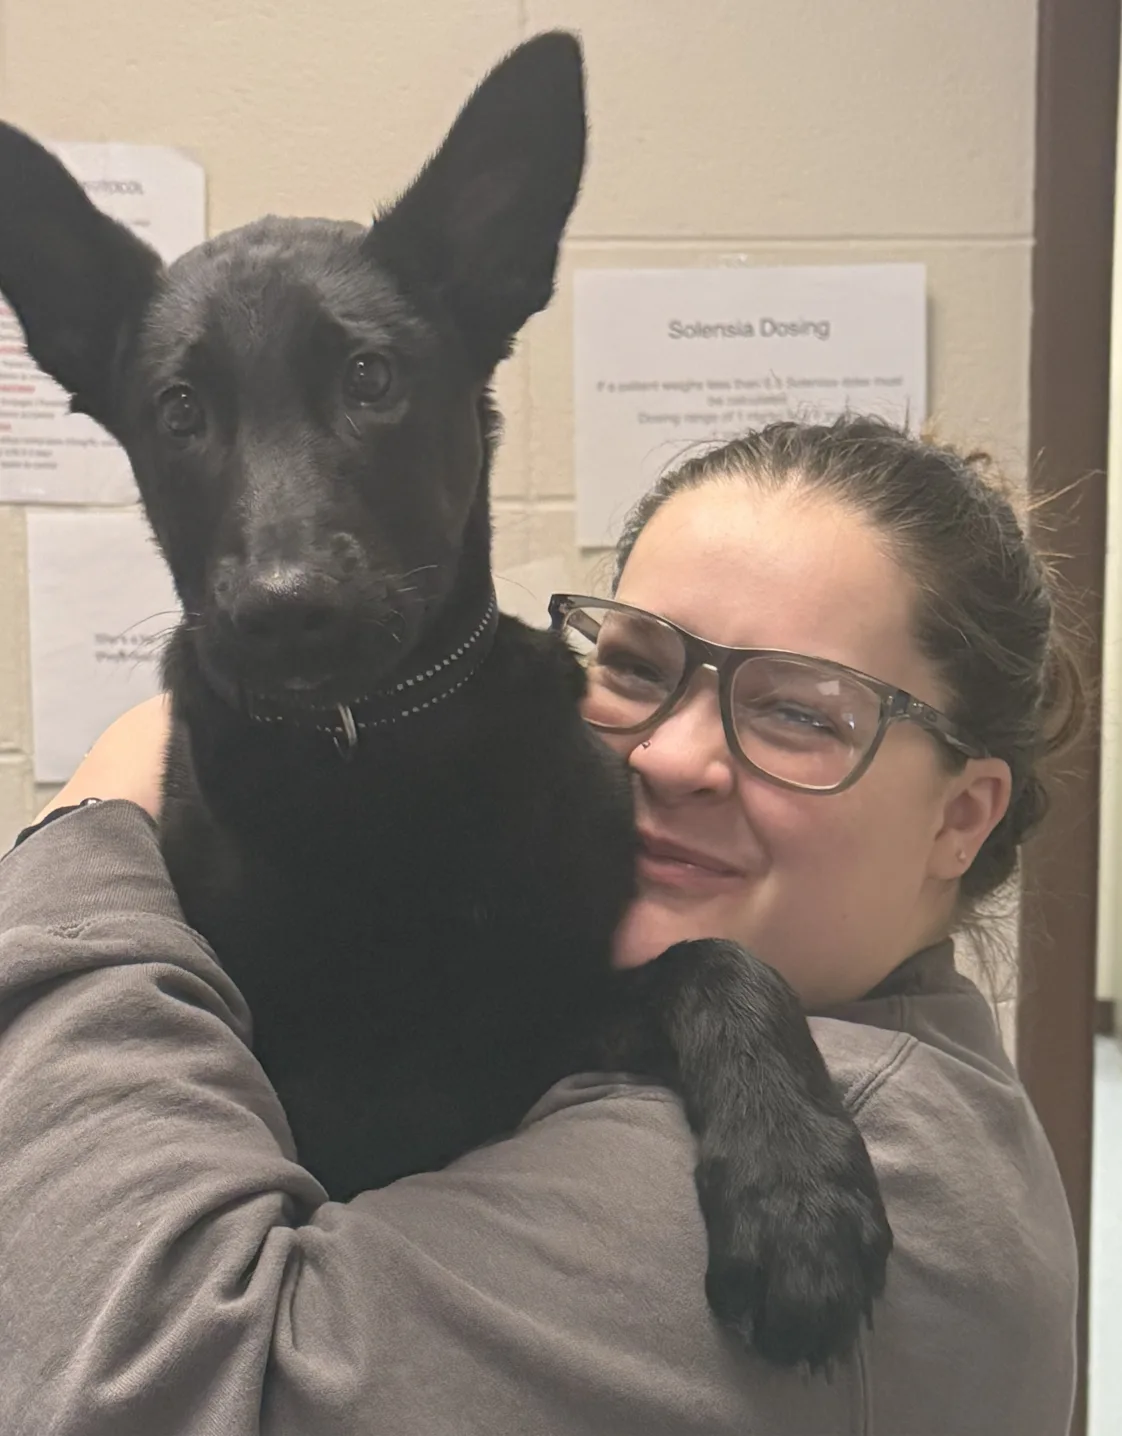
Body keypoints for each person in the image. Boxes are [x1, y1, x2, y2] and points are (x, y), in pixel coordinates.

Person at [0, 415, 1078, 1435]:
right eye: (634, 668)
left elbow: (140, 1380)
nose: (668, 754)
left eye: (798, 710)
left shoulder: (877, 1162)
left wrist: (94, 824)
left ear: (962, 814)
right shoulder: (712, 991)